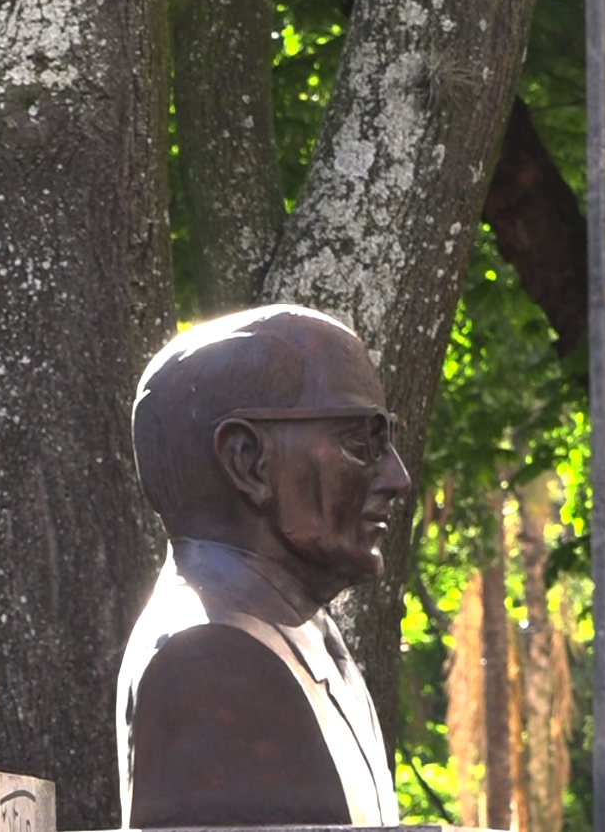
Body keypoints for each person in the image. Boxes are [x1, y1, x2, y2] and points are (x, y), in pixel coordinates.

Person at [116, 304, 411, 827]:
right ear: (247, 461)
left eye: (386, 437)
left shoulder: (308, 639)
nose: (397, 477)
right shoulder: (209, 664)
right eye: (361, 440)